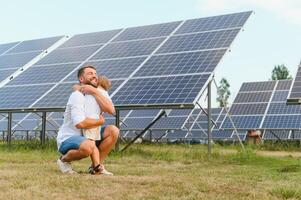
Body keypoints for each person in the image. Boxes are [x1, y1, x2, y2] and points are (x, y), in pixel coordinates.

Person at [56, 66, 119, 175]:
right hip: (69, 138)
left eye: (95, 73)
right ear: (81, 79)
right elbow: (80, 124)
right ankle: (63, 160)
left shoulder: (99, 91)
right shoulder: (77, 95)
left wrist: (94, 92)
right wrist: (99, 122)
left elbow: (111, 110)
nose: (94, 75)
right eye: (90, 73)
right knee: (89, 145)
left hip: (90, 133)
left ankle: (96, 167)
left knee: (113, 130)